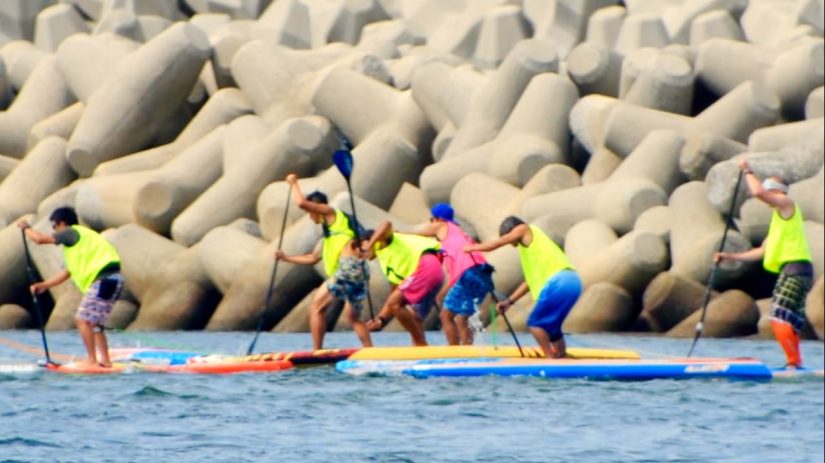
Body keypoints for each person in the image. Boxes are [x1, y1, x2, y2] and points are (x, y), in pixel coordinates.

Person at [715, 158, 814, 369]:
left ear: (778, 192)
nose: (765, 200)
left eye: (770, 193)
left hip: (796, 269)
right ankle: (795, 364)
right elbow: (760, 252)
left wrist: (747, 171)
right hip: (795, 270)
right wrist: (730, 257)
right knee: (789, 320)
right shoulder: (778, 221)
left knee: (779, 318)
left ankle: (793, 362)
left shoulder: (787, 205)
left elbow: (759, 192)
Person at [18, 207, 124, 367]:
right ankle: (106, 362)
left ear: (62, 223)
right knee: (95, 322)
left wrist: (25, 227)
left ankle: (92, 360)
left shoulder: (71, 232)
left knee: (82, 320)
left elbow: (39, 240)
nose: (55, 230)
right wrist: (45, 285)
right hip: (113, 279)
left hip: (103, 279)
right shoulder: (81, 241)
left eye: (54, 226)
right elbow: (67, 272)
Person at [277, 173, 372, 350]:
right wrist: (285, 257)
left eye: (310, 212)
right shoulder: (330, 235)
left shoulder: (331, 212)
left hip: (347, 269)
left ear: (317, 207)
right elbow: (312, 258)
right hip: (360, 271)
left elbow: (301, 203)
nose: (309, 216)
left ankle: (317, 351)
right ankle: (369, 352)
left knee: (316, 308)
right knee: (353, 318)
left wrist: (294, 184)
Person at [464, 216, 581, 358]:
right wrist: (509, 302)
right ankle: (561, 356)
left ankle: (550, 360)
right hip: (572, 281)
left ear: (511, 231)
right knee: (552, 327)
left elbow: (498, 243)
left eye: (508, 237)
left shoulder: (525, 229)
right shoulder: (533, 250)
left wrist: (472, 248)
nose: (509, 242)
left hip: (559, 282)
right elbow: (529, 282)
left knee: (536, 324)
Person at [416, 203, 493, 345]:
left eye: (431, 219)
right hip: (483, 273)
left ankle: (457, 353)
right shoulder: (458, 233)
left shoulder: (442, 226)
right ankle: (468, 352)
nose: (431, 223)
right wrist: (441, 293)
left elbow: (414, 231)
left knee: (447, 316)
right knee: (462, 317)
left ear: (438, 219)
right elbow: (454, 275)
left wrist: (394, 231)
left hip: (470, 273)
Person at [363, 221, 444, 346]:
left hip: (427, 266)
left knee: (396, 304)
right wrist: (380, 320)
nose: (362, 253)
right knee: (414, 317)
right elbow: (394, 298)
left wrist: (370, 245)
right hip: (434, 274)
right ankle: (421, 351)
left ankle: (420, 344)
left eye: (363, 248)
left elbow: (386, 224)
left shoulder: (385, 241)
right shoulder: (387, 263)